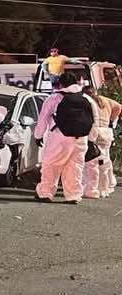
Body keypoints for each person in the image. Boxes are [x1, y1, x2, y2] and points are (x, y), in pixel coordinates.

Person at [35, 72, 96, 203]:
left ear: (61, 84)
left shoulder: (55, 98)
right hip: (80, 138)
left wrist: (38, 135)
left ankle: (45, 193)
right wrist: (91, 139)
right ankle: (73, 195)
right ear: (76, 82)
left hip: (59, 136)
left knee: (51, 165)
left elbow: (43, 118)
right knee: (75, 167)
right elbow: (93, 120)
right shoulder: (86, 98)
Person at [83, 85, 121, 198]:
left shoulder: (87, 101)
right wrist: (111, 120)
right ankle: (107, 186)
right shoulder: (105, 99)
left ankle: (92, 186)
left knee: (92, 162)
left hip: (95, 132)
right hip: (107, 132)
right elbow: (119, 107)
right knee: (105, 160)